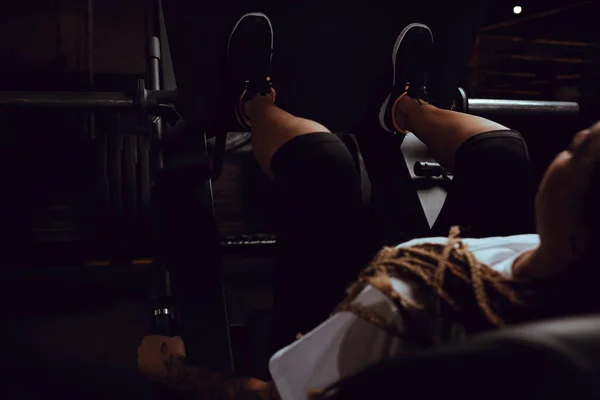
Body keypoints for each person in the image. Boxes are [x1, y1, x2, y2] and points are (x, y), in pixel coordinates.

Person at [137, 12, 600, 400]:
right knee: (502, 154)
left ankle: (253, 104)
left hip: (332, 327)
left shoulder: (400, 307)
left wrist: (176, 369)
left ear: (578, 234)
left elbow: (275, 394)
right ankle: (404, 108)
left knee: (324, 163)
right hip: (459, 278)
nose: (578, 138)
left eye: (577, 153)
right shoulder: (567, 270)